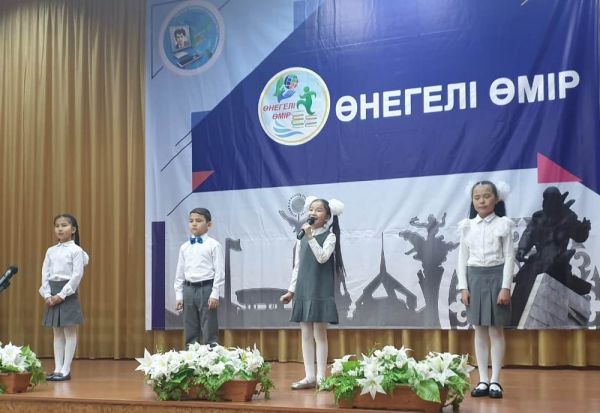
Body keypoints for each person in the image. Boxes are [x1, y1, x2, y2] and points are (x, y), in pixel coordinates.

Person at [280, 197, 345, 390]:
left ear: (327, 216)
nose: (313, 213)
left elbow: (322, 257)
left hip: (320, 289)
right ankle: (309, 377)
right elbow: (297, 266)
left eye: (318, 210)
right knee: (306, 333)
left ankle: (321, 377)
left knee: (319, 334)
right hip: (303, 288)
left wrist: (310, 237)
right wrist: (291, 291)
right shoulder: (302, 237)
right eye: (311, 209)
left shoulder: (330, 237)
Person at [457, 181, 514, 399]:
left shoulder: (503, 224)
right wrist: (464, 287)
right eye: (477, 197)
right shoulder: (467, 226)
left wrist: (505, 287)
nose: (481, 200)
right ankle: (482, 379)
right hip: (475, 279)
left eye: (487, 196)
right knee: (479, 330)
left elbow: (509, 257)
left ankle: (495, 381)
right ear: (472, 201)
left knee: (496, 330)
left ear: (496, 199)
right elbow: (462, 259)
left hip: (497, 278)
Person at [39, 214, 89, 382]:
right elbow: (45, 273)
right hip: (52, 292)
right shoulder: (51, 250)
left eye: (64, 225)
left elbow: (77, 275)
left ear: (73, 229)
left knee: (69, 331)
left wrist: (61, 295)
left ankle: (66, 369)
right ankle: (57, 368)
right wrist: (47, 294)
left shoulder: (76, 251)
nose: (60, 229)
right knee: (57, 332)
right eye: (57, 226)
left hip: (67, 292)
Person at [174, 208, 224, 347]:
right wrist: (179, 295)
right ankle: (191, 356)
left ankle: (211, 356)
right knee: (189, 326)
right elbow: (180, 273)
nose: (194, 224)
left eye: (199, 221)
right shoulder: (184, 247)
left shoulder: (214, 245)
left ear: (209, 224)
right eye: (191, 221)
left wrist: (215, 294)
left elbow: (220, 272)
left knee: (209, 326)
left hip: (206, 288)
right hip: (188, 289)